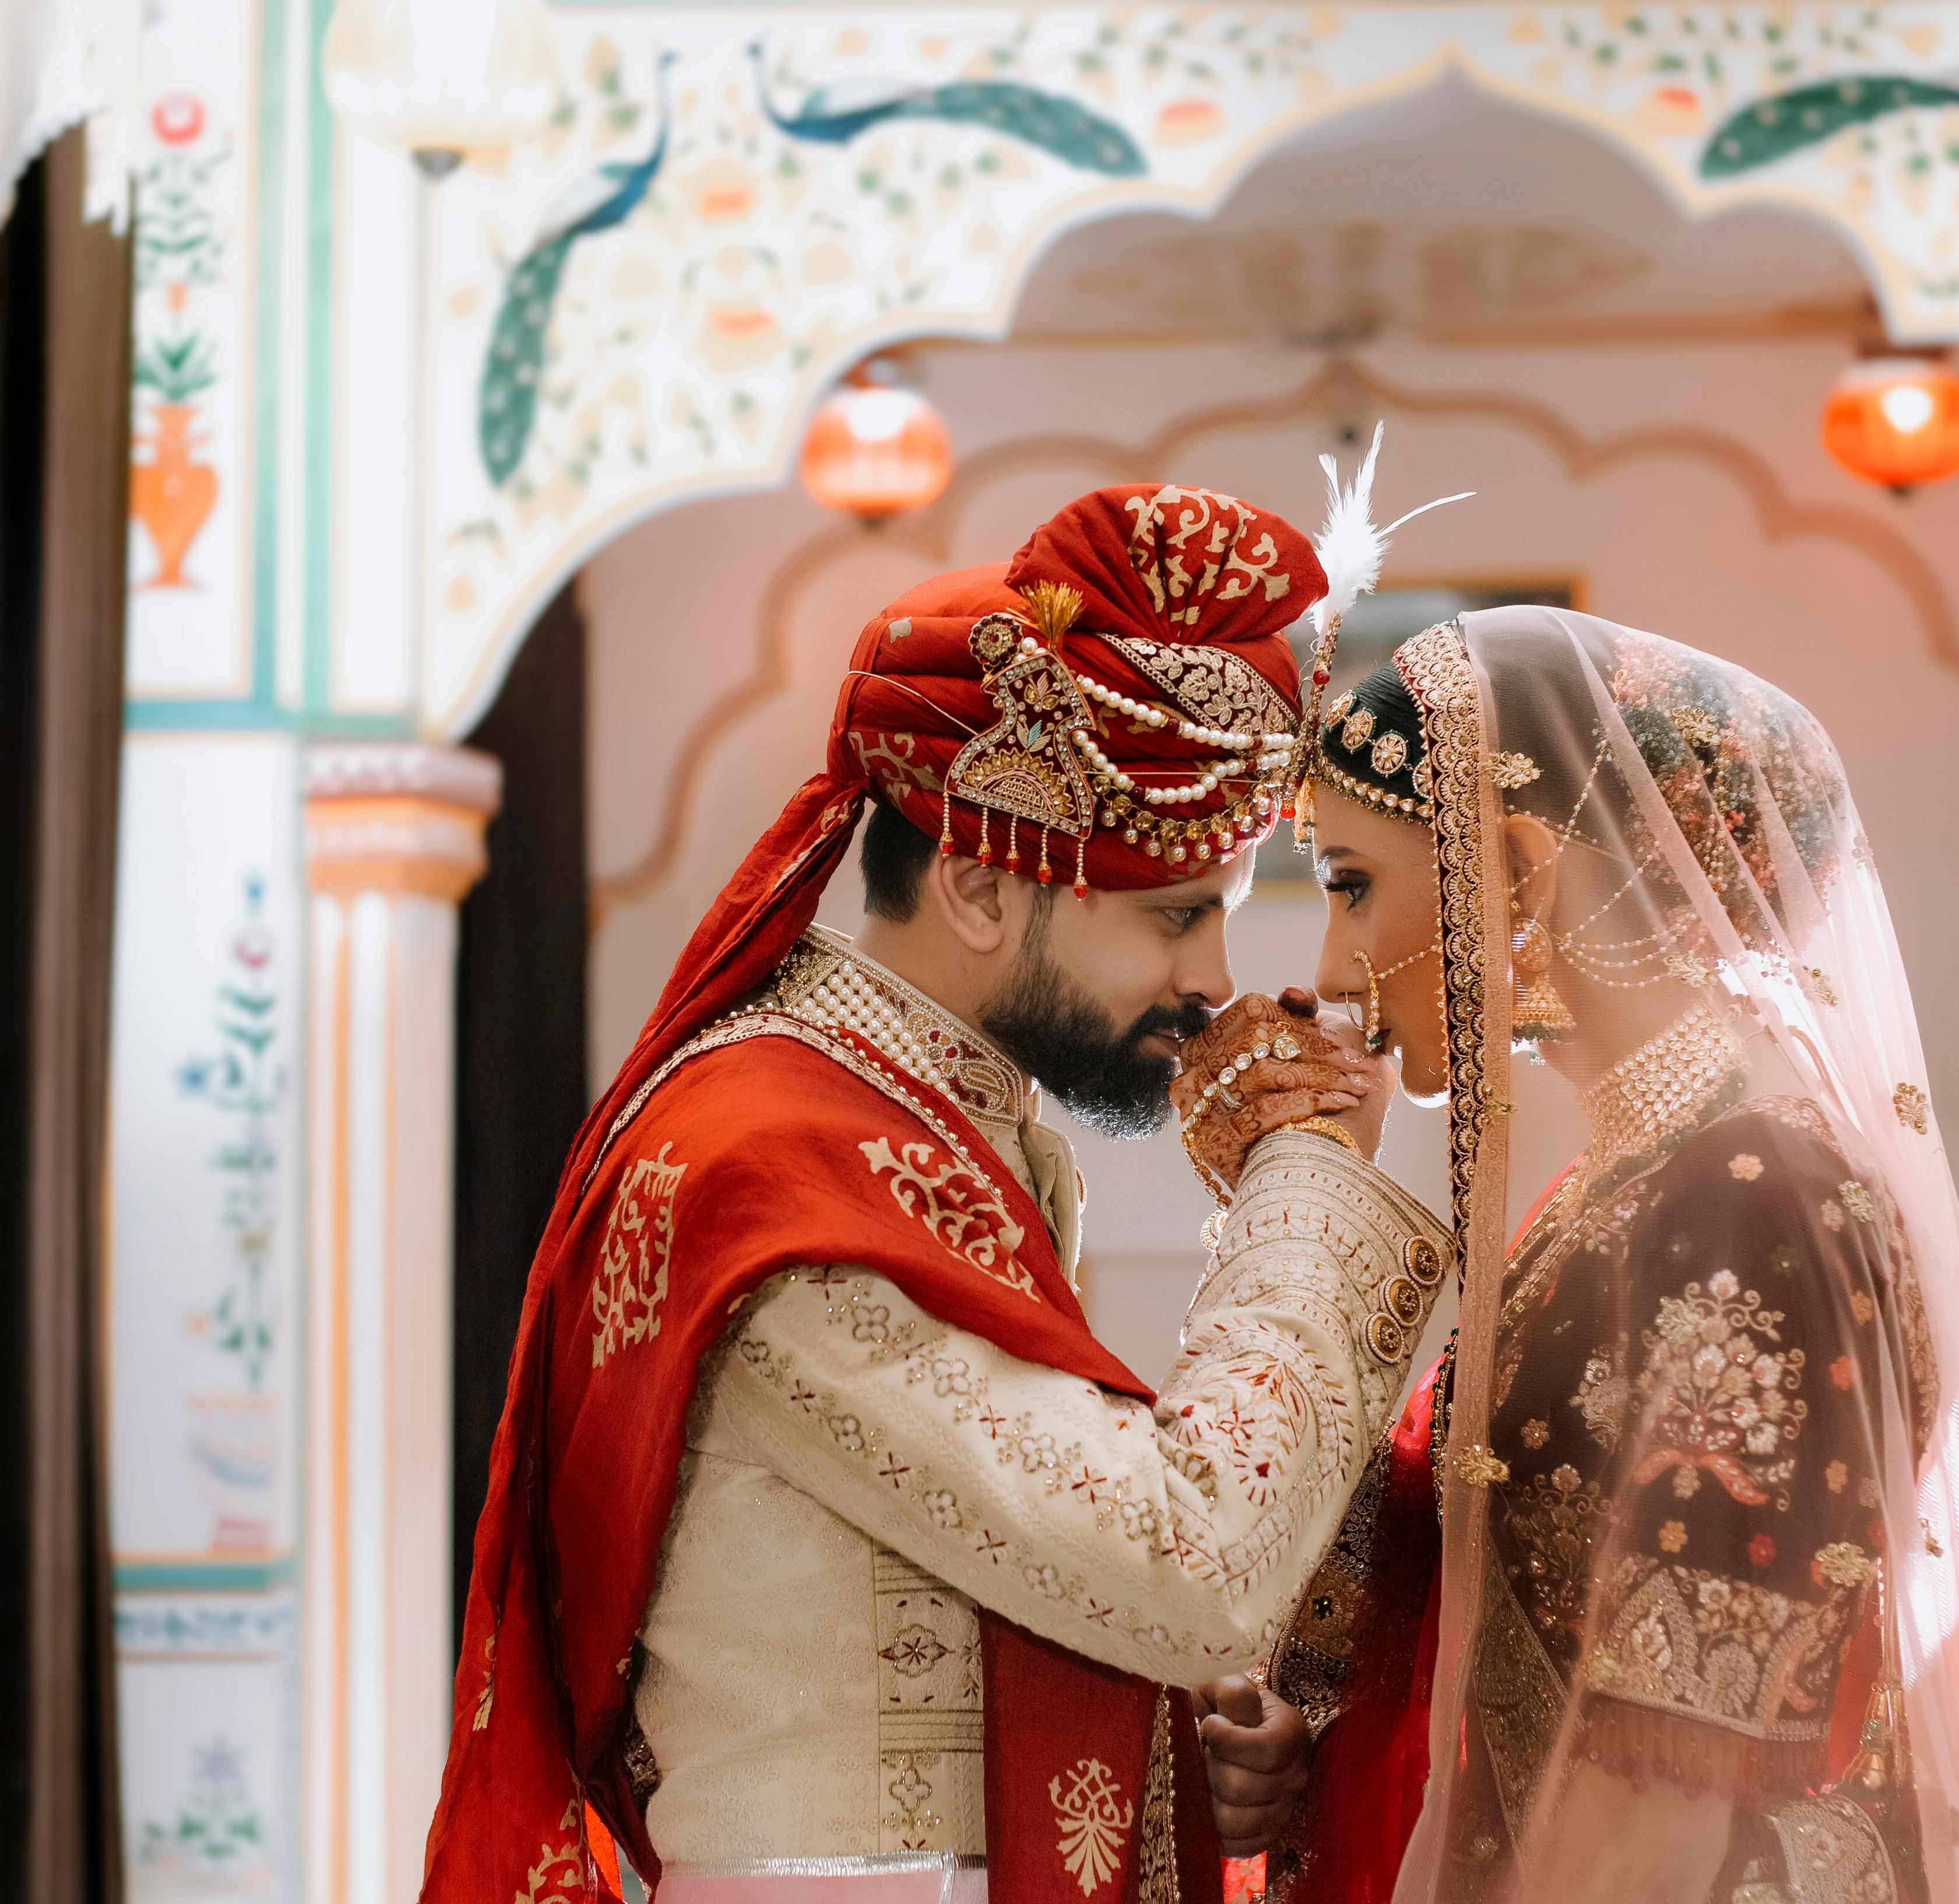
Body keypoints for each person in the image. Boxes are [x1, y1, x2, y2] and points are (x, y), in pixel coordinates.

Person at [419, 483, 1454, 1904]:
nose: (1213, 979)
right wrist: (1310, 1168)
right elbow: (1189, 1556)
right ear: (980, 882)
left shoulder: (923, 1128)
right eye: (1173, 914)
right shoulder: (774, 1174)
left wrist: (1172, 1742)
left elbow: (1053, 1575)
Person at [1174, 608, 1959, 1903]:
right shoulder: (1617, 1192)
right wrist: (1313, 1746)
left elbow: (1654, 1812)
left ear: (1516, 869)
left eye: (1349, 885)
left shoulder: (1762, 1209)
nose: (1332, 968)